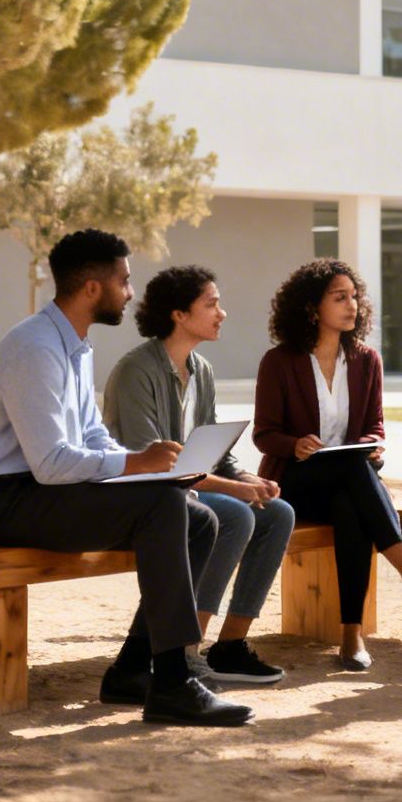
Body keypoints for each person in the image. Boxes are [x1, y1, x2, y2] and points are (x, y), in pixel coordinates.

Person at [0, 229, 254, 727]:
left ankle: (133, 671)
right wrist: (138, 466)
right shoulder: (34, 348)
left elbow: (93, 437)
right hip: (5, 501)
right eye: (125, 280)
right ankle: (174, 681)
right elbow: (50, 463)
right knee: (164, 505)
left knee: (196, 516)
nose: (131, 293)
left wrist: (154, 466)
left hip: (46, 492)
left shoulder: (76, 345)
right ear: (93, 288)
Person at [252, 258, 402, 670]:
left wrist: (370, 446)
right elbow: (264, 433)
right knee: (353, 475)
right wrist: (295, 444)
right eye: (340, 297)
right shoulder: (279, 361)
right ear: (312, 307)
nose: (353, 305)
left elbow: (374, 427)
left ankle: (351, 633)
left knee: (352, 501)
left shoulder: (366, 360)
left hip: (350, 482)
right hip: (296, 482)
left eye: (355, 296)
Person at [104, 265, 295, 686]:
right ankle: (187, 649)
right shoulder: (138, 371)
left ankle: (229, 646)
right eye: (211, 304)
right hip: (147, 498)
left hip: (189, 491)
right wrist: (234, 490)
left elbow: (215, 454)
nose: (222, 313)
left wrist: (249, 480)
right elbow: (156, 465)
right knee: (235, 514)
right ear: (179, 315)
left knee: (277, 512)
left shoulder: (201, 370)